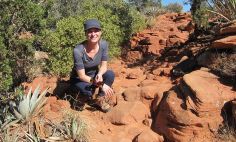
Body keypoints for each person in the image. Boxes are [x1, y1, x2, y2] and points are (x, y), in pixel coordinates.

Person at [70, 19, 115, 112]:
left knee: (110, 74)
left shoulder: (103, 45)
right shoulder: (78, 51)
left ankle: (99, 100)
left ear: (100, 32)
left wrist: (100, 74)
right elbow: (81, 76)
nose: (93, 34)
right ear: (86, 34)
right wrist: (102, 85)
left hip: (94, 76)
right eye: (90, 31)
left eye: (96, 31)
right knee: (87, 91)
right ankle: (78, 98)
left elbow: (104, 66)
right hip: (79, 79)